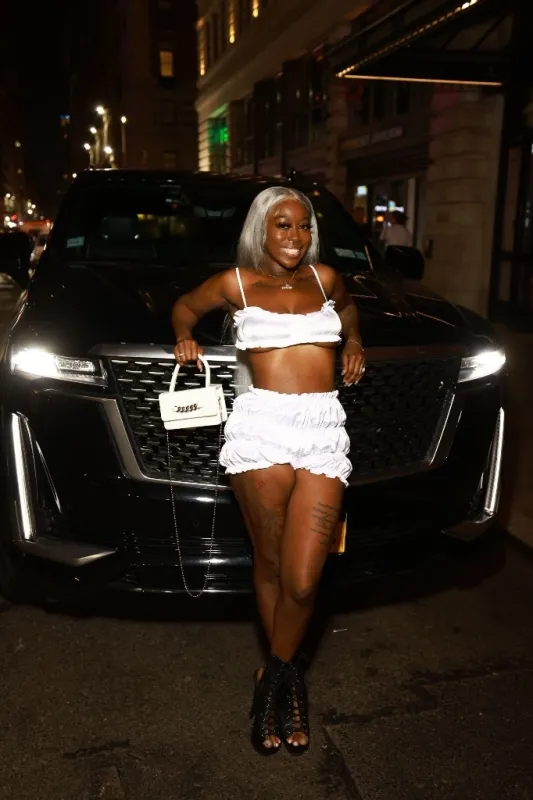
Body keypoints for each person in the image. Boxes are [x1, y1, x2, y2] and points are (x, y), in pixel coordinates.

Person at [171, 187, 365, 756]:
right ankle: (287, 685)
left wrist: (354, 340)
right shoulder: (235, 282)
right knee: (273, 563)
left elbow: (348, 308)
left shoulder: (325, 278)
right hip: (262, 430)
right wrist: (184, 337)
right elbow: (185, 307)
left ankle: (272, 676)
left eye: (304, 226)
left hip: (322, 428)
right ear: (262, 228)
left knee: (304, 579)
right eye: (283, 225)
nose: (295, 237)